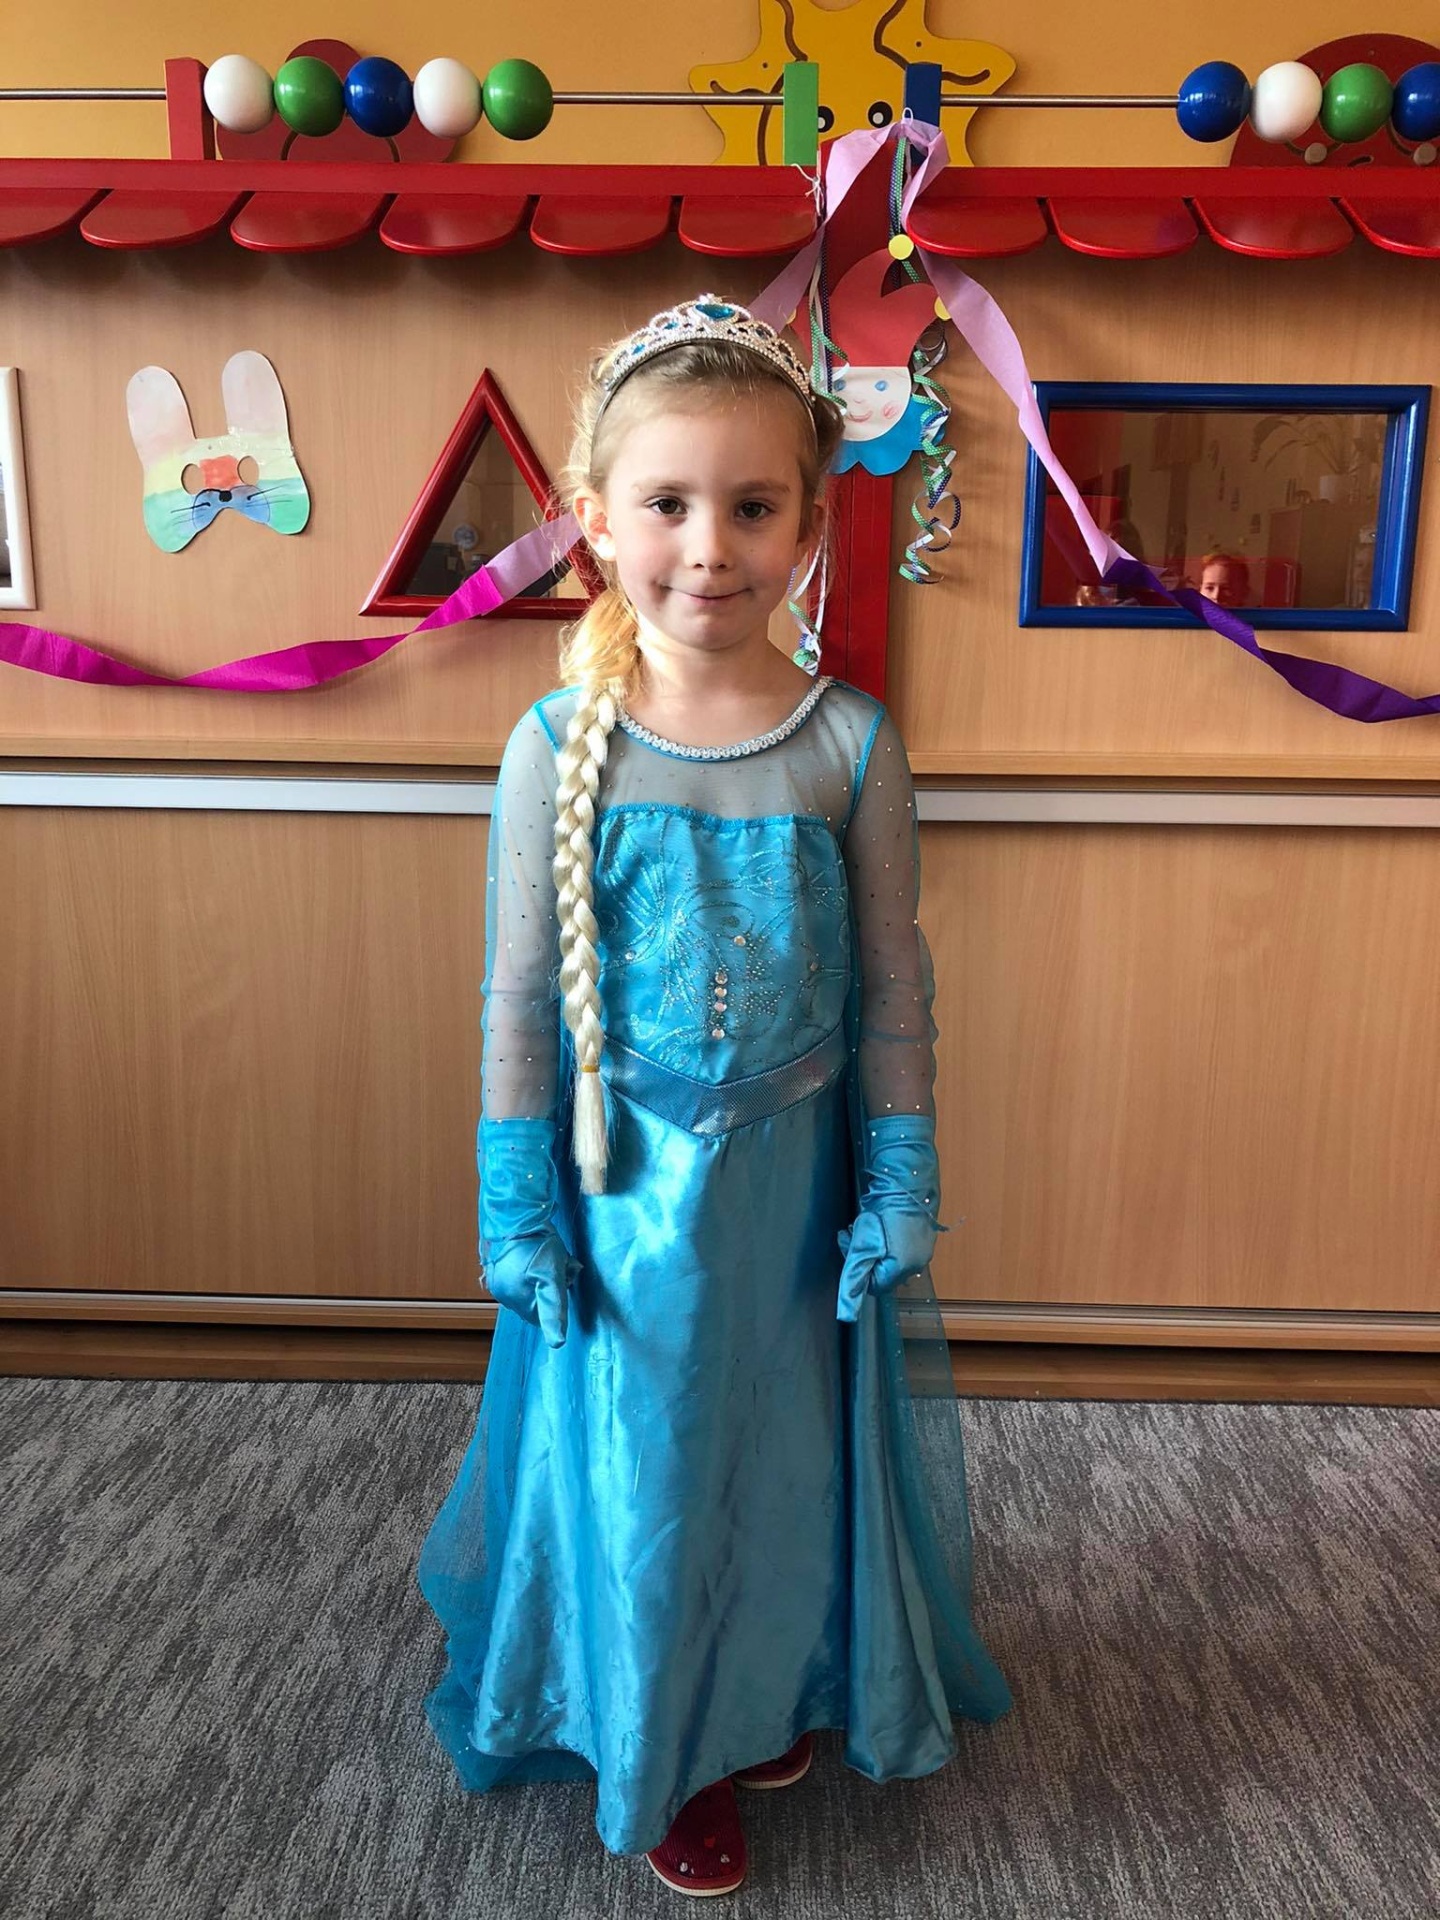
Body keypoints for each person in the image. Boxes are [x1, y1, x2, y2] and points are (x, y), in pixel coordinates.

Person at [417, 294, 1013, 1898]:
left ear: (812, 528)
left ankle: (767, 1684)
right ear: (596, 519)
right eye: (668, 503)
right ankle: (662, 1743)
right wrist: (513, 1206)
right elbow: (519, 1000)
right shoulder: (558, 744)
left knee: (784, 1458)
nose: (709, 547)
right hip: (626, 1202)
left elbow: (892, 987)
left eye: (753, 508)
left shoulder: (850, 746)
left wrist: (902, 1179)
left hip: (798, 1195)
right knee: (656, 1473)